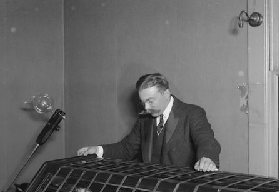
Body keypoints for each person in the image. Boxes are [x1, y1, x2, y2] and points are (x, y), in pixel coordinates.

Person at [77, 73, 220, 171]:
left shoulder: (192, 113)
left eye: (150, 101)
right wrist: (98, 150)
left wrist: (206, 158)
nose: (146, 108)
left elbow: (206, 141)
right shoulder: (144, 120)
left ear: (166, 93)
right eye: (143, 102)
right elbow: (126, 149)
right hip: (153, 191)